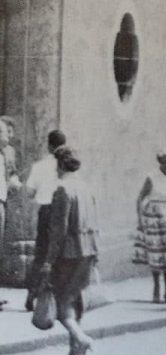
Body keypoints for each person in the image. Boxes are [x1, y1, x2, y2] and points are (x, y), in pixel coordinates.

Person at [41, 147, 98, 355]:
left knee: (63, 305)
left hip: (68, 254)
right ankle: (75, 351)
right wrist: (96, 253)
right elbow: (95, 221)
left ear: (61, 164)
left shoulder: (62, 189)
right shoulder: (86, 188)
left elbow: (58, 231)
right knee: (77, 300)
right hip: (88, 250)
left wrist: (49, 260)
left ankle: (81, 339)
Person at [23, 129, 66, 312]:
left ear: (49, 146)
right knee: (59, 254)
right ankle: (57, 298)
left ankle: (32, 294)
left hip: (45, 212)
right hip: (62, 212)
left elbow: (30, 192)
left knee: (41, 254)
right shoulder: (65, 167)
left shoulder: (39, 166)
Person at [134, 151, 166, 303]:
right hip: (154, 215)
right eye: (165, 162)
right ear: (160, 162)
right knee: (156, 253)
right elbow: (140, 197)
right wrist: (140, 218)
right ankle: (156, 290)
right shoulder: (152, 176)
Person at [0, 117, 21, 278]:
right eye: (6, 132)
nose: (10, 136)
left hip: (2, 201)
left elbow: (12, 173)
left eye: (11, 132)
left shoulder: (9, 152)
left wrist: (14, 181)